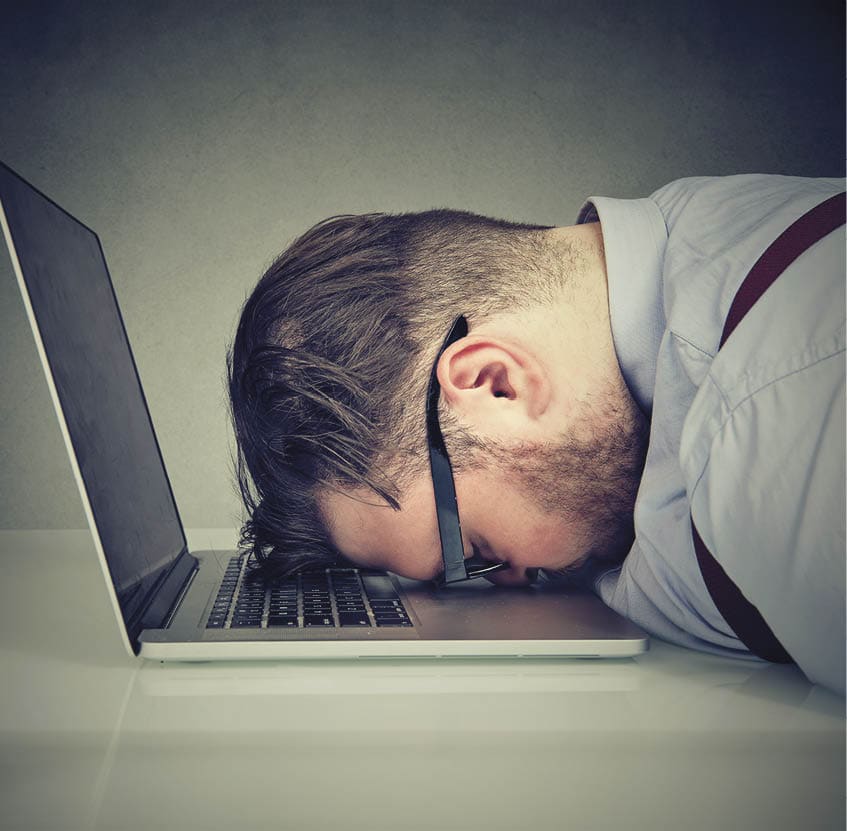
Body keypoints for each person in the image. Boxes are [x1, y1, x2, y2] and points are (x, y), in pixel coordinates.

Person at [227, 174, 845, 694]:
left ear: (495, 383)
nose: (513, 585)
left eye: (473, 554)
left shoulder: (781, 414)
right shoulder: (684, 245)